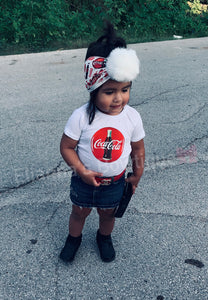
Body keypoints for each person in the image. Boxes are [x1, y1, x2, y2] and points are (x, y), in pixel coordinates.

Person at [59, 22, 145, 263]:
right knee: (79, 212)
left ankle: (104, 237)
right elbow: (66, 147)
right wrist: (82, 171)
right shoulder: (81, 117)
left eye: (125, 89)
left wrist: (136, 174)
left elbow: (137, 149)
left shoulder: (132, 117)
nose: (119, 98)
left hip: (115, 182)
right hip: (84, 181)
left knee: (109, 215)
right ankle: (73, 238)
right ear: (93, 89)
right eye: (109, 92)